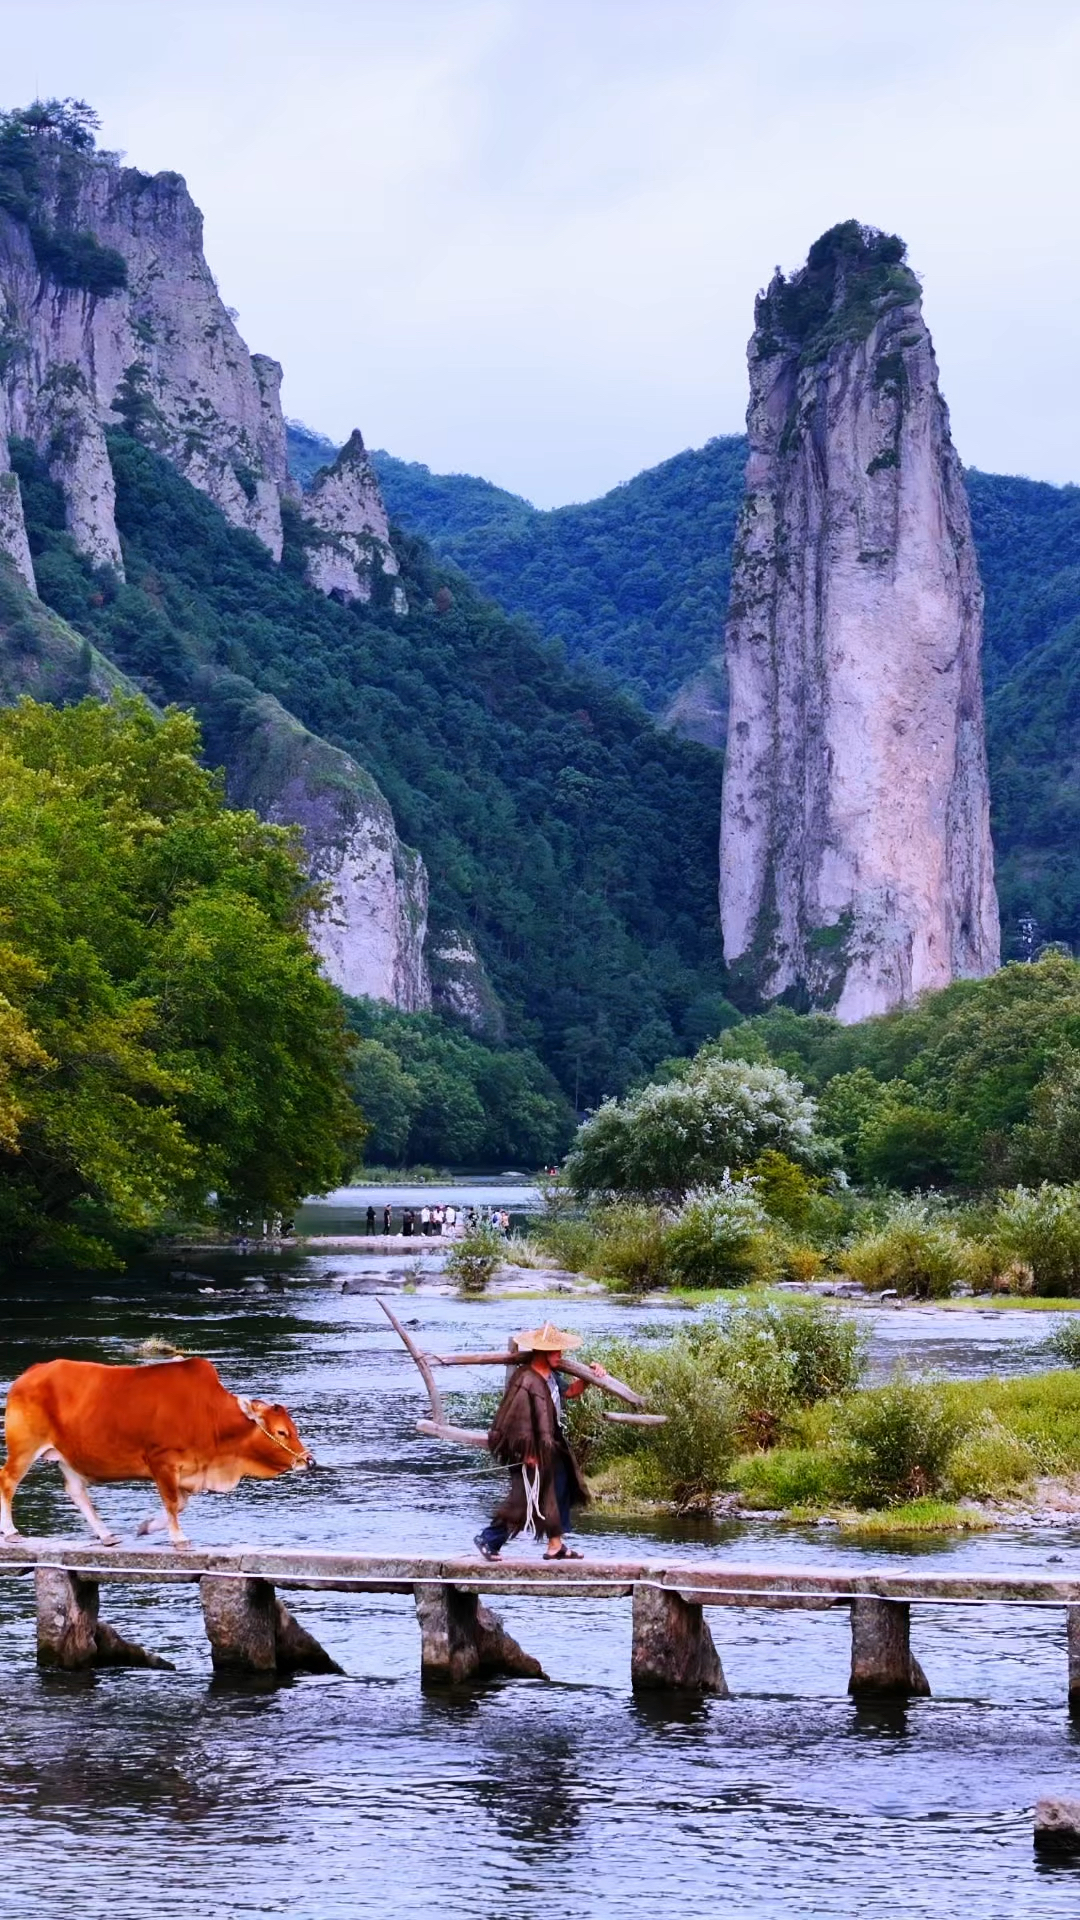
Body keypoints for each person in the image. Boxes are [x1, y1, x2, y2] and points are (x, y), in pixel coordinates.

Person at [474, 1323, 605, 1563]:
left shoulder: (553, 1376)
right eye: (555, 1352)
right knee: (525, 1500)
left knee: (560, 1489)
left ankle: (556, 1546)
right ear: (542, 1353)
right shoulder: (525, 1380)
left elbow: (570, 1393)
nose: (561, 1356)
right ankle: (489, 1539)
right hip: (529, 1452)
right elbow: (515, 1422)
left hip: (550, 1446)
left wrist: (589, 1377)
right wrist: (527, 1454)